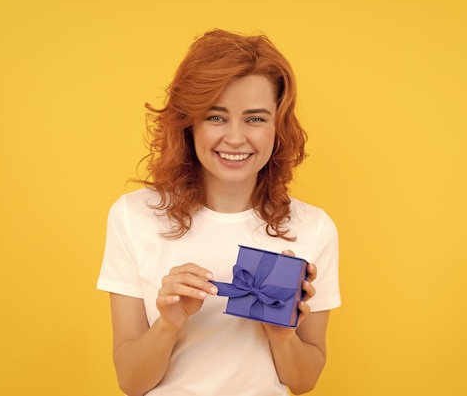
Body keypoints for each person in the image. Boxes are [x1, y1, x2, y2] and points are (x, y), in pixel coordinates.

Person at [97, 29, 341, 396]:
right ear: (188, 123)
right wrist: (169, 323)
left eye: (255, 119)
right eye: (216, 117)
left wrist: (281, 332)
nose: (235, 138)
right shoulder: (133, 217)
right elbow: (130, 382)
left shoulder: (312, 228)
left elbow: (304, 381)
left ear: (278, 128)